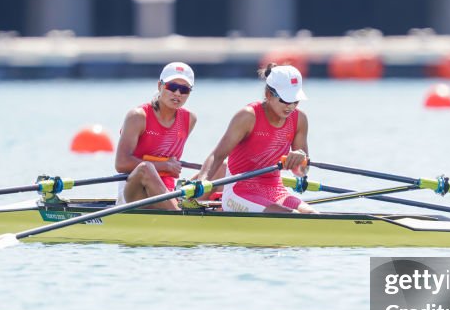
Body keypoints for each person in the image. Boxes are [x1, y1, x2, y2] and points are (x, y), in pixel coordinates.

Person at [196, 63, 316, 214]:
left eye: (295, 101)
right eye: (285, 100)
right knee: (291, 216)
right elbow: (217, 155)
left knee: (312, 215)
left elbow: (301, 172)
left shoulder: (300, 119)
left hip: (275, 189)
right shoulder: (247, 116)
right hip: (239, 191)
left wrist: (300, 160)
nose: (290, 106)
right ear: (268, 95)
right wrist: (201, 181)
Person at [114, 62, 196, 210]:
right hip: (134, 191)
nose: (177, 93)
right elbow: (121, 163)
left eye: (184, 90)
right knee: (146, 168)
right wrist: (165, 166)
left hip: (166, 190)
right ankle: (179, 218)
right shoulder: (138, 116)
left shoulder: (189, 119)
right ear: (160, 86)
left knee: (222, 168)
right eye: (172, 87)